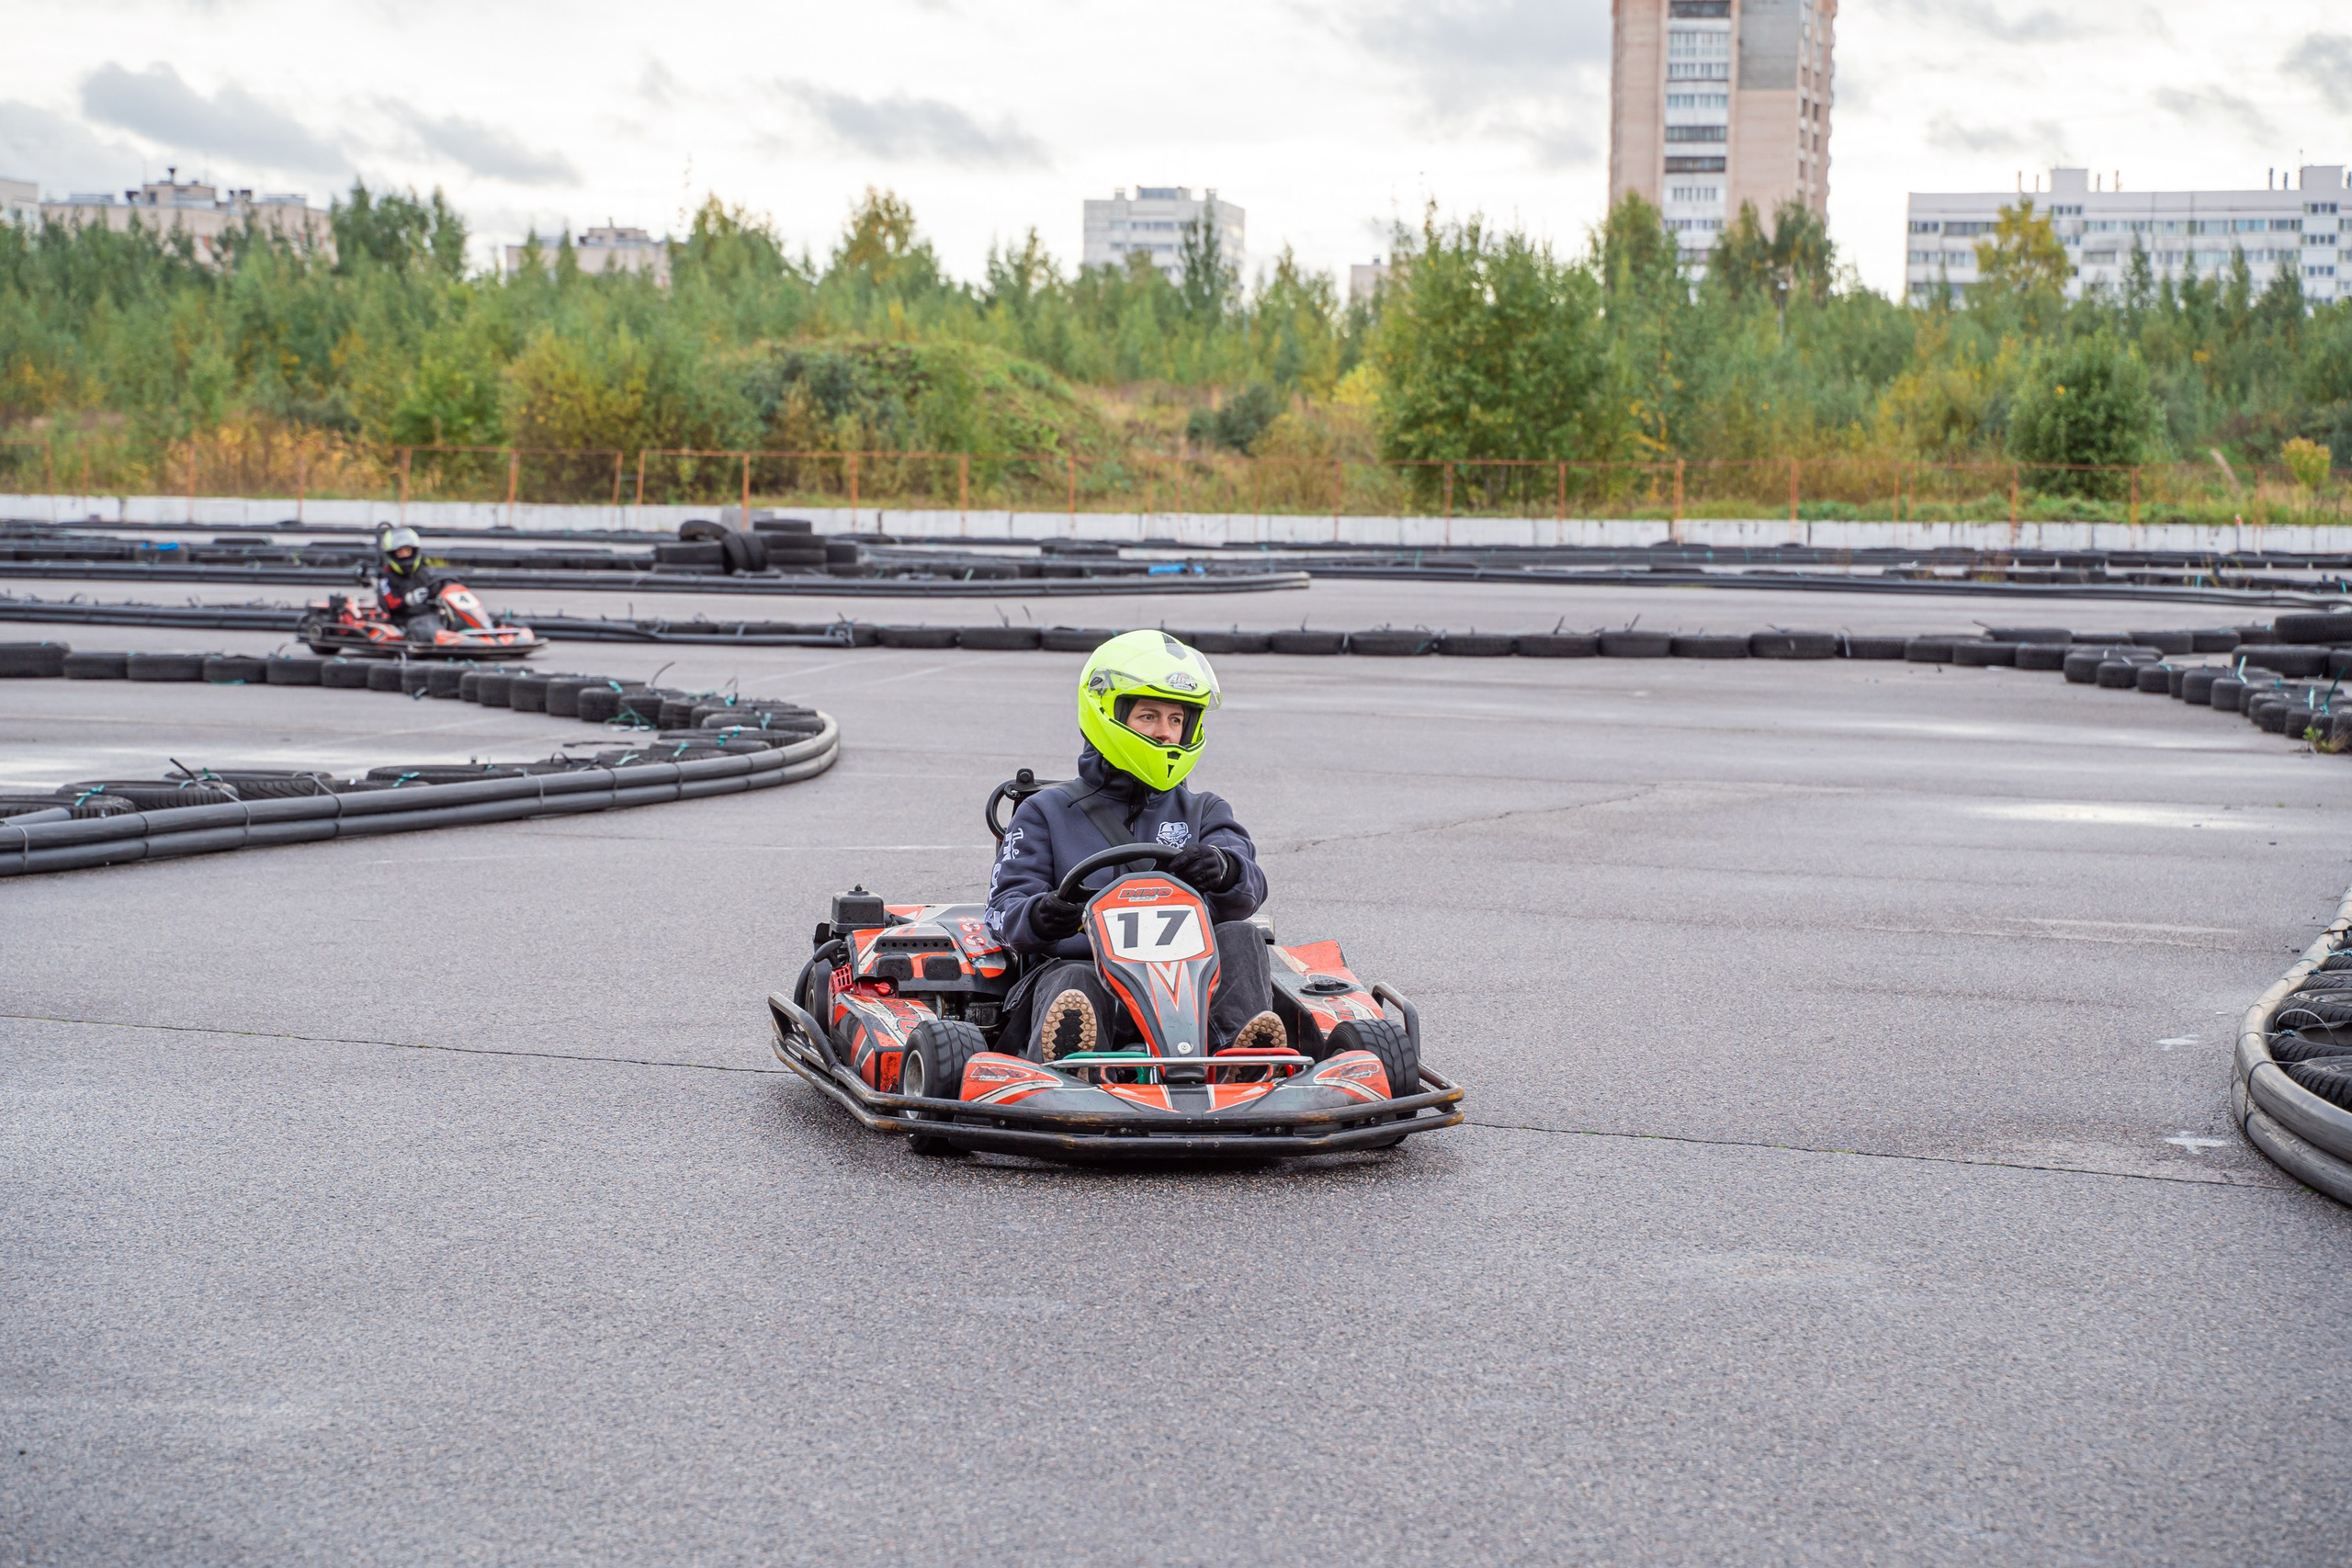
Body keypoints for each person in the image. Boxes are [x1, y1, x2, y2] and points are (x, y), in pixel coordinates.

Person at [986, 629, 1286, 1062]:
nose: (1165, 733)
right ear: (1109, 714)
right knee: (1073, 979)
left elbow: (1250, 889)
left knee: (1241, 936)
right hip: (1089, 977)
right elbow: (1002, 911)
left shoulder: (1203, 810)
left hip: (1192, 992)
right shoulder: (1045, 812)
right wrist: (1041, 914)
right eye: (1149, 716)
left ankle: (1240, 1061)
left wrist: (1225, 870)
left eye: (1176, 720)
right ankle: (1068, 1069)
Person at [368, 525, 445, 638]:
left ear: (414, 551)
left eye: (407, 551)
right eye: (400, 552)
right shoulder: (386, 577)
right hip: (405, 620)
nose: (404, 555)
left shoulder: (422, 572)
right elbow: (389, 604)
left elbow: (432, 590)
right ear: (392, 554)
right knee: (426, 630)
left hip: (430, 616)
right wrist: (408, 600)